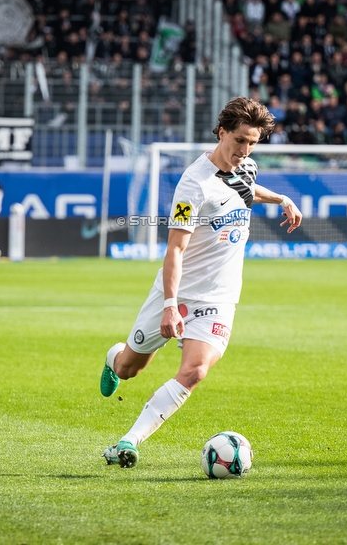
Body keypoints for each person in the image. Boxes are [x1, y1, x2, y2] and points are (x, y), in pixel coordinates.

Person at [98, 98, 303, 468]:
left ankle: (127, 441)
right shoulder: (192, 185)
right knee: (132, 368)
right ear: (222, 132)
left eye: (252, 142)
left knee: (194, 371)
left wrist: (281, 198)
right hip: (175, 293)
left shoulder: (248, 167)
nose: (244, 150)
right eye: (239, 140)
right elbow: (175, 249)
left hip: (220, 298)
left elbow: (246, 189)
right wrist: (169, 305)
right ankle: (114, 357)